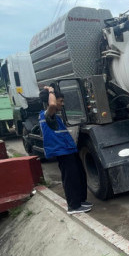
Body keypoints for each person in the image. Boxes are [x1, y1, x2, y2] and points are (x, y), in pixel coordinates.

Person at [39, 85, 92, 215]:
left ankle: (80, 201)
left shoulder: (55, 117)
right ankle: (73, 206)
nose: (62, 104)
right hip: (62, 151)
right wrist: (51, 90)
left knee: (79, 175)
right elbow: (51, 105)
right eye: (60, 101)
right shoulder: (46, 115)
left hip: (69, 150)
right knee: (70, 178)